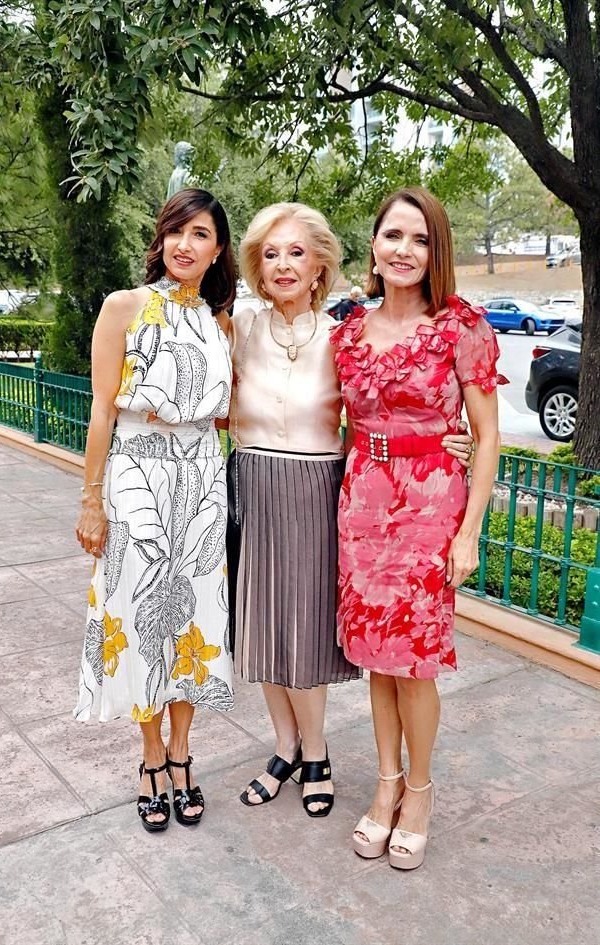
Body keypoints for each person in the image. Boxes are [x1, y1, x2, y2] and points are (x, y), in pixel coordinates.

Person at [221, 202, 474, 819]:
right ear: (256, 264)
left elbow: (385, 403)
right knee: (257, 623)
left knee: (303, 626)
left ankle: (316, 753)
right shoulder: (238, 327)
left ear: (320, 266)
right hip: (249, 481)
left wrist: (447, 436)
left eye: (297, 253)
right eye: (271, 253)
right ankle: (283, 747)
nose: (283, 264)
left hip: (318, 486)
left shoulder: (344, 334)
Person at [331, 186, 504, 869]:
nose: (405, 250)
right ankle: (386, 783)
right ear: (373, 244)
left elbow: (487, 436)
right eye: (393, 236)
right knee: (377, 655)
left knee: (415, 660)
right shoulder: (348, 330)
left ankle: (421, 790)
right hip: (362, 501)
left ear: (437, 251)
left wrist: (469, 531)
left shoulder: (462, 327)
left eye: (420, 239)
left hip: (432, 505)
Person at [74, 188, 236, 834]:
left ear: (218, 248)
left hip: (202, 478)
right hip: (136, 472)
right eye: (175, 231)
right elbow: (101, 410)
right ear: (159, 239)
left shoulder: (221, 321)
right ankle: (149, 757)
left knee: (192, 620)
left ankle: (182, 751)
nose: (184, 244)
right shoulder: (124, 307)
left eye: (199, 233)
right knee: (140, 618)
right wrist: (91, 498)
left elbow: (230, 411)